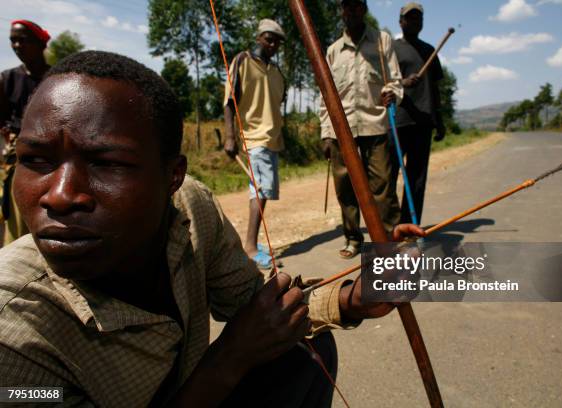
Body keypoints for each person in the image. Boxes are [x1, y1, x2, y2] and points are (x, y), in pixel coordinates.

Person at [0, 50, 425, 407]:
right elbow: (242, 341)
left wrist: (355, 298)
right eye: (36, 160)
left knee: (301, 349)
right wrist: (230, 357)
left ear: (172, 177)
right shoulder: (11, 336)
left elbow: (256, 307)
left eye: (107, 163)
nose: (58, 195)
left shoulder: (191, 207)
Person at [320, 0, 403, 259]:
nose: (352, 10)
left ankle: (388, 240)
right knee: (345, 188)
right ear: (341, 11)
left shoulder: (382, 41)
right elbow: (325, 94)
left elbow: (395, 81)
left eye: (357, 5)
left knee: (382, 187)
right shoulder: (333, 50)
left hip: (375, 124)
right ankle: (353, 238)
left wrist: (392, 93)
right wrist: (325, 131)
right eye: (347, 6)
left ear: (364, 9)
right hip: (340, 130)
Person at [223, 19, 285, 269]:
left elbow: (277, 106)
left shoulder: (278, 73)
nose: (273, 44)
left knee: (263, 191)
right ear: (259, 37)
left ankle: (252, 244)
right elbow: (229, 101)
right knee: (260, 190)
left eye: (277, 41)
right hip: (254, 137)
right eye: (269, 38)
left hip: (272, 139)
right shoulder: (242, 61)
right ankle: (250, 247)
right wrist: (230, 136)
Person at [392, 2, 446, 224]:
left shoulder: (429, 50)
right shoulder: (391, 48)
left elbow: (435, 89)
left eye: (418, 19)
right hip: (397, 120)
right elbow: (382, 82)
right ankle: (391, 223)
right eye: (410, 18)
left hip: (423, 121)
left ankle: (410, 224)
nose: (414, 22)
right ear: (401, 21)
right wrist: (403, 82)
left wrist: (439, 120)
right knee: (388, 177)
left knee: (417, 179)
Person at [0, 20, 50, 245]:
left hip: (53, 157)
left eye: (23, 40)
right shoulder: (7, 79)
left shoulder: (55, 79)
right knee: (18, 220)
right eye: (13, 40)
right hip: (20, 158)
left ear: (40, 43)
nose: (17, 45)